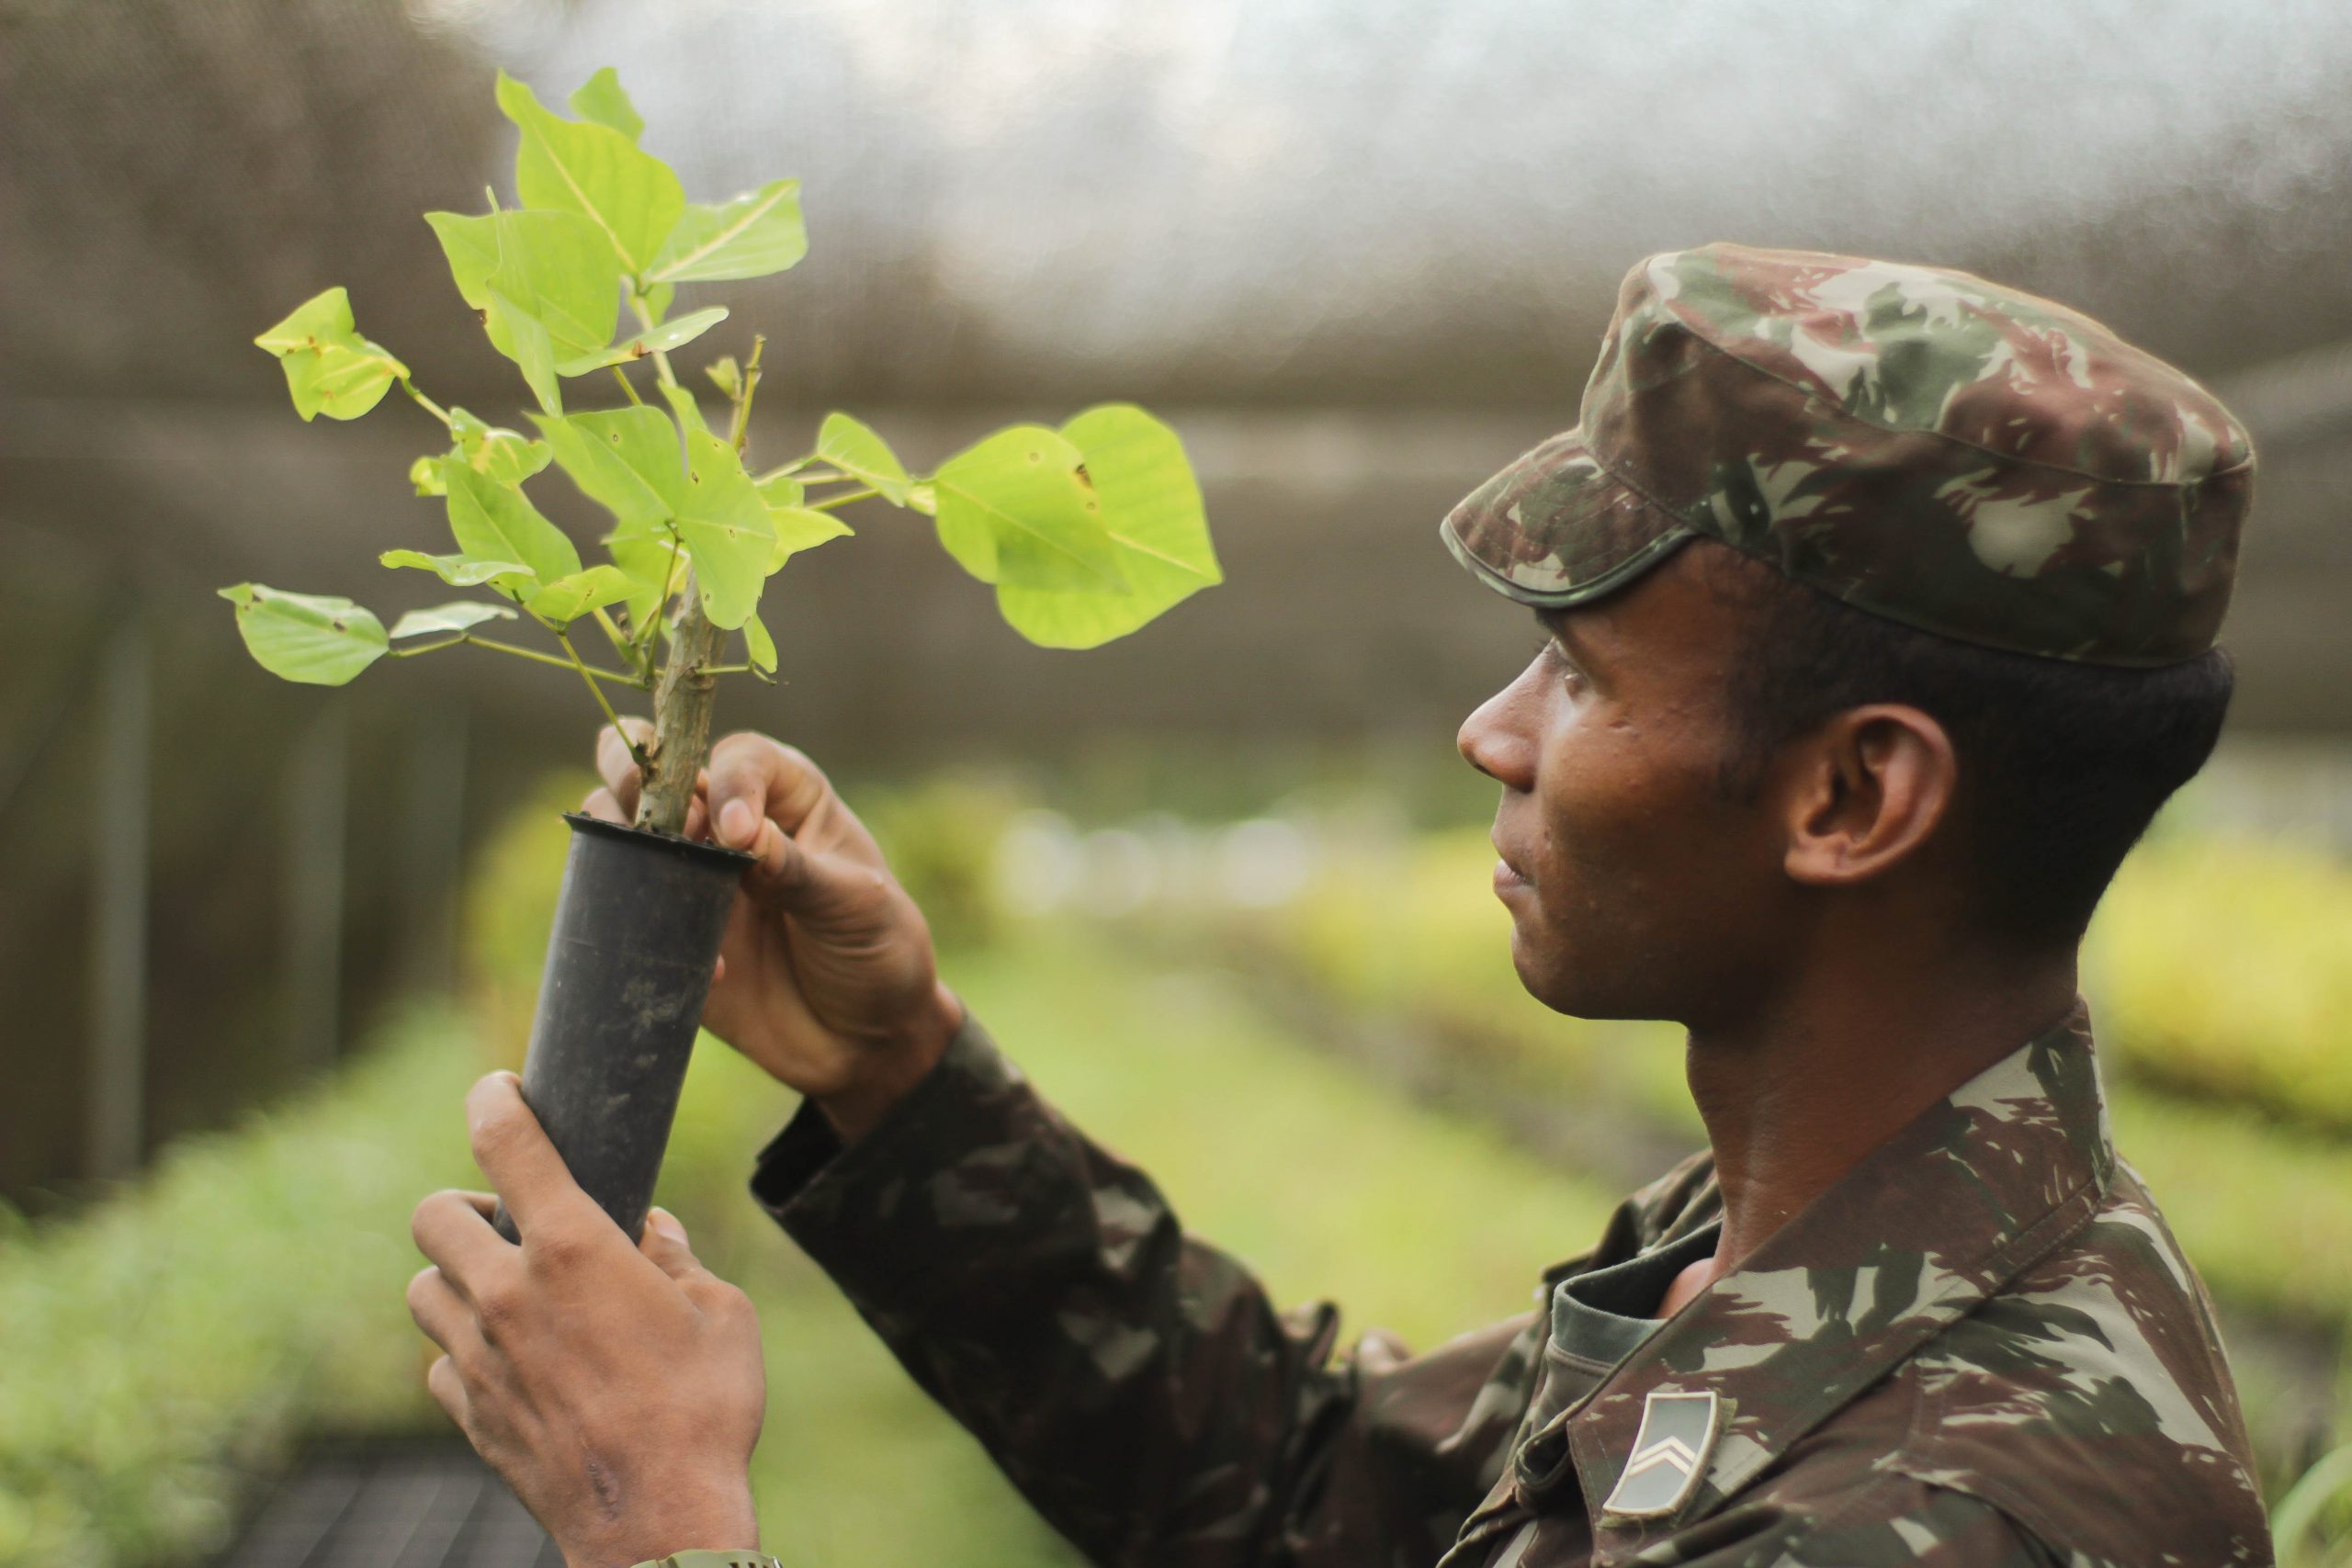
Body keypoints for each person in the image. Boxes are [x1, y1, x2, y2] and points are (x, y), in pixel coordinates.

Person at [407, 243, 2271, 1567]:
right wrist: (902, 1081)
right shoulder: (1811, 1257)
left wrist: (657, 1524)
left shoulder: (1923, 1513)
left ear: (1850, 795)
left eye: (1582, 676)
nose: (1490, 732)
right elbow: (1322, 1499)